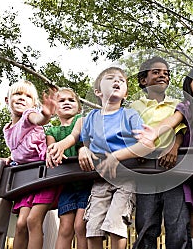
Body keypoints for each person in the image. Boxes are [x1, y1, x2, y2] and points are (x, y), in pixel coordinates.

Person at [47, 67, 154, 249]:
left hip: (125, 180)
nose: (117, 81)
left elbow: (147, 145)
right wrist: (75, 149)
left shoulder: (130, 115)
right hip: (99, 181)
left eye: (121, 80)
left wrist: (116, 156)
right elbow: (75, 138)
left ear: (126, 93)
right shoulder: (90, 118)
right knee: (92, 228)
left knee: (115, 225)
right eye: (111, 78)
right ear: (98, 91)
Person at [134, 67, 193, 249]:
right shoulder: (186, 108)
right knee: (192, 221)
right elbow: (171, 122)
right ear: (188, 87)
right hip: (188, 174)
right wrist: (154, 132)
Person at [129, 56, 191, 249]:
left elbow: (182, 129)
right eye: (156, 72)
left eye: (166, 73)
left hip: (172, 171)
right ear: (143, 80)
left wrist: (174, 147)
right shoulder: (134, 106)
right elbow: (129, 132)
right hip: (145, 173)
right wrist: (137, 148)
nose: (162, 76)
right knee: (146, 224)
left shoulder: (176, 104)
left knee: (178, 226)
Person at [0, 80, 60, 249]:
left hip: (44, 176)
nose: (22, 98)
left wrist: (46, 114)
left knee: (33, 221)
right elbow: (20, 149)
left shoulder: (29, 116)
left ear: (33, 104)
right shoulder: (7, 129)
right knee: (20, 225)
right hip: (27, 181)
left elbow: (39, 119)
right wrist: (9, 158)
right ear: (7, 100)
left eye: (27, 96)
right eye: (18, 94)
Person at [45, 88, 92, 249]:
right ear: (54, 109)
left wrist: (81, 149)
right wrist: (53, 154)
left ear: (78, 107)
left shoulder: (82, 120)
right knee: (65, 228)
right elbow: (52, 150)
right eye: (62, 100)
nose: (66, 102)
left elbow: (85, 141)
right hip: (67, 186)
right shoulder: (52, 131)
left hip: (86, 183)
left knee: (81, 225)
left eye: (71, 100)